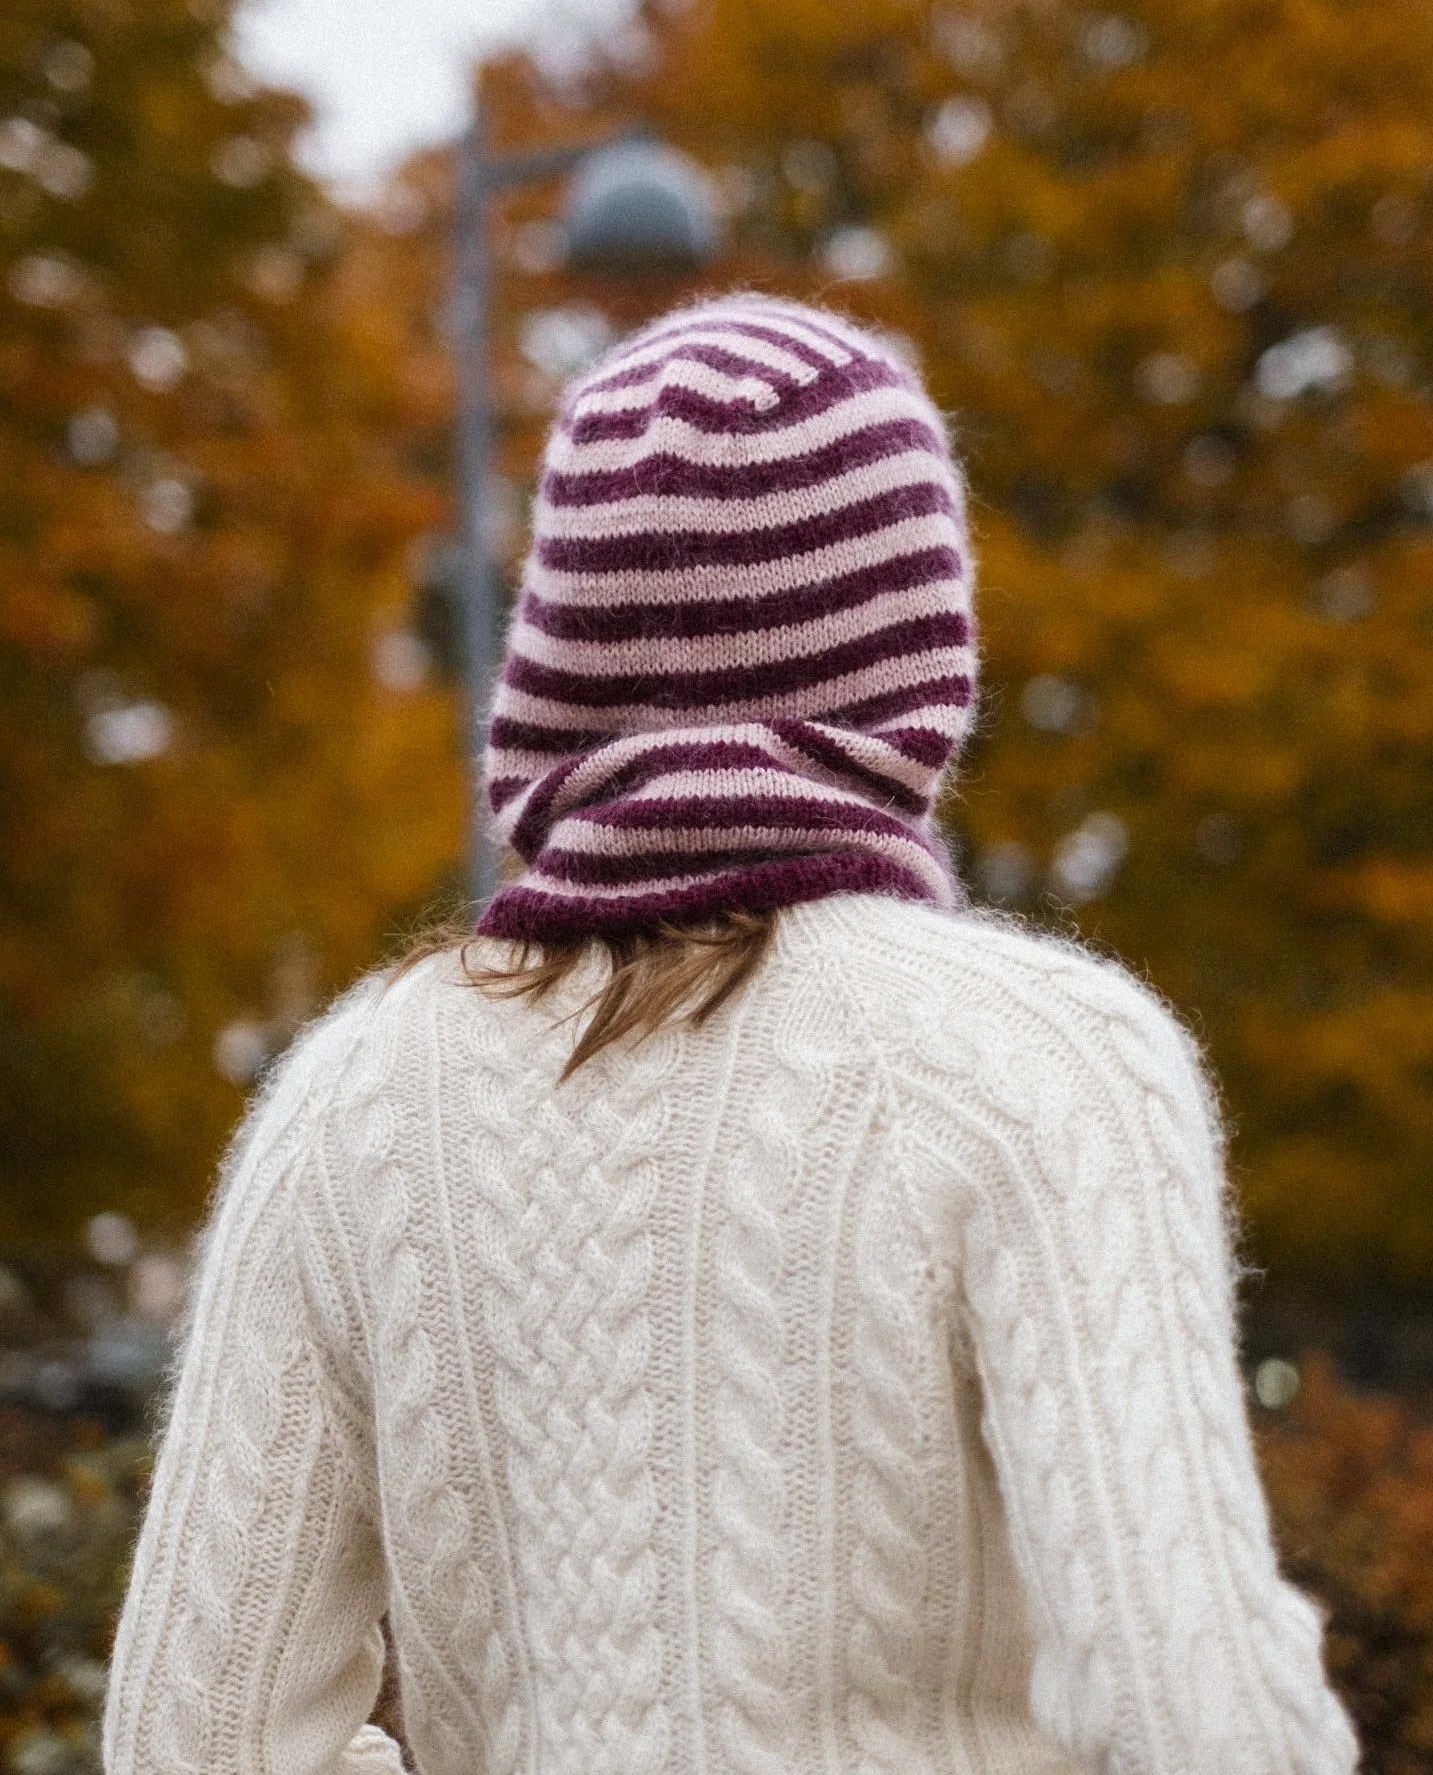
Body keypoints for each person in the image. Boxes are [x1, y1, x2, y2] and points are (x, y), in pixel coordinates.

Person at [104, 296, 1358, 1775]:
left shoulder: (355, 1101)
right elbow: (1199, 1713)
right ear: (917, 659)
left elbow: (191, 1736)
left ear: (561, 642)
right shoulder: (1045, 1063)